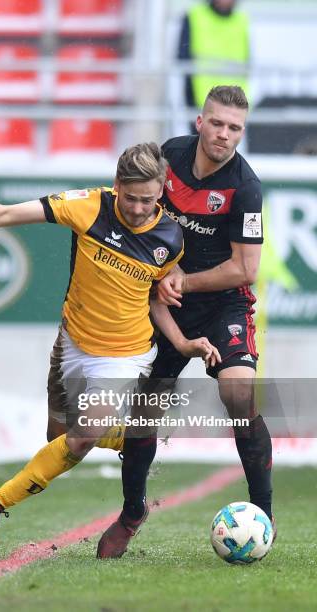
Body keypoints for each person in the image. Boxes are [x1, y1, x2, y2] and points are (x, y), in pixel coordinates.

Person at [0, 142, 220, 553]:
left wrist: (182, 343)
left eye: (150, 200)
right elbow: (11, 212)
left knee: (81, 438)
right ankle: (134, 438)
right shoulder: (87, 206)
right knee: (60, 439)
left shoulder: (170, 237)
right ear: (117, 185)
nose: (139, 209)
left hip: (127, 355)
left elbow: (156, 297)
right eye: (132, 198)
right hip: (73, 346)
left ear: (161, 194)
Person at [97, 85, 276, 559]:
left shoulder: (246, 187)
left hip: (221, 304)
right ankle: (132, 513)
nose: (224, 134)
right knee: (144, 412)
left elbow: (246, 269)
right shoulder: (168, 157)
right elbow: (133, 205)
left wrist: (181, 280)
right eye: (216, 123)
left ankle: (264, 517)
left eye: (234, 127)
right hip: (166, 304)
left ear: (242, 131)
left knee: (239, 393)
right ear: (200, 121)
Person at [177, 0, 249, 120]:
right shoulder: (195, 16)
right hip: (201, 101)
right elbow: (183, 58)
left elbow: (246, 60)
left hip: (234, 104)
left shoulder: (242, 20)